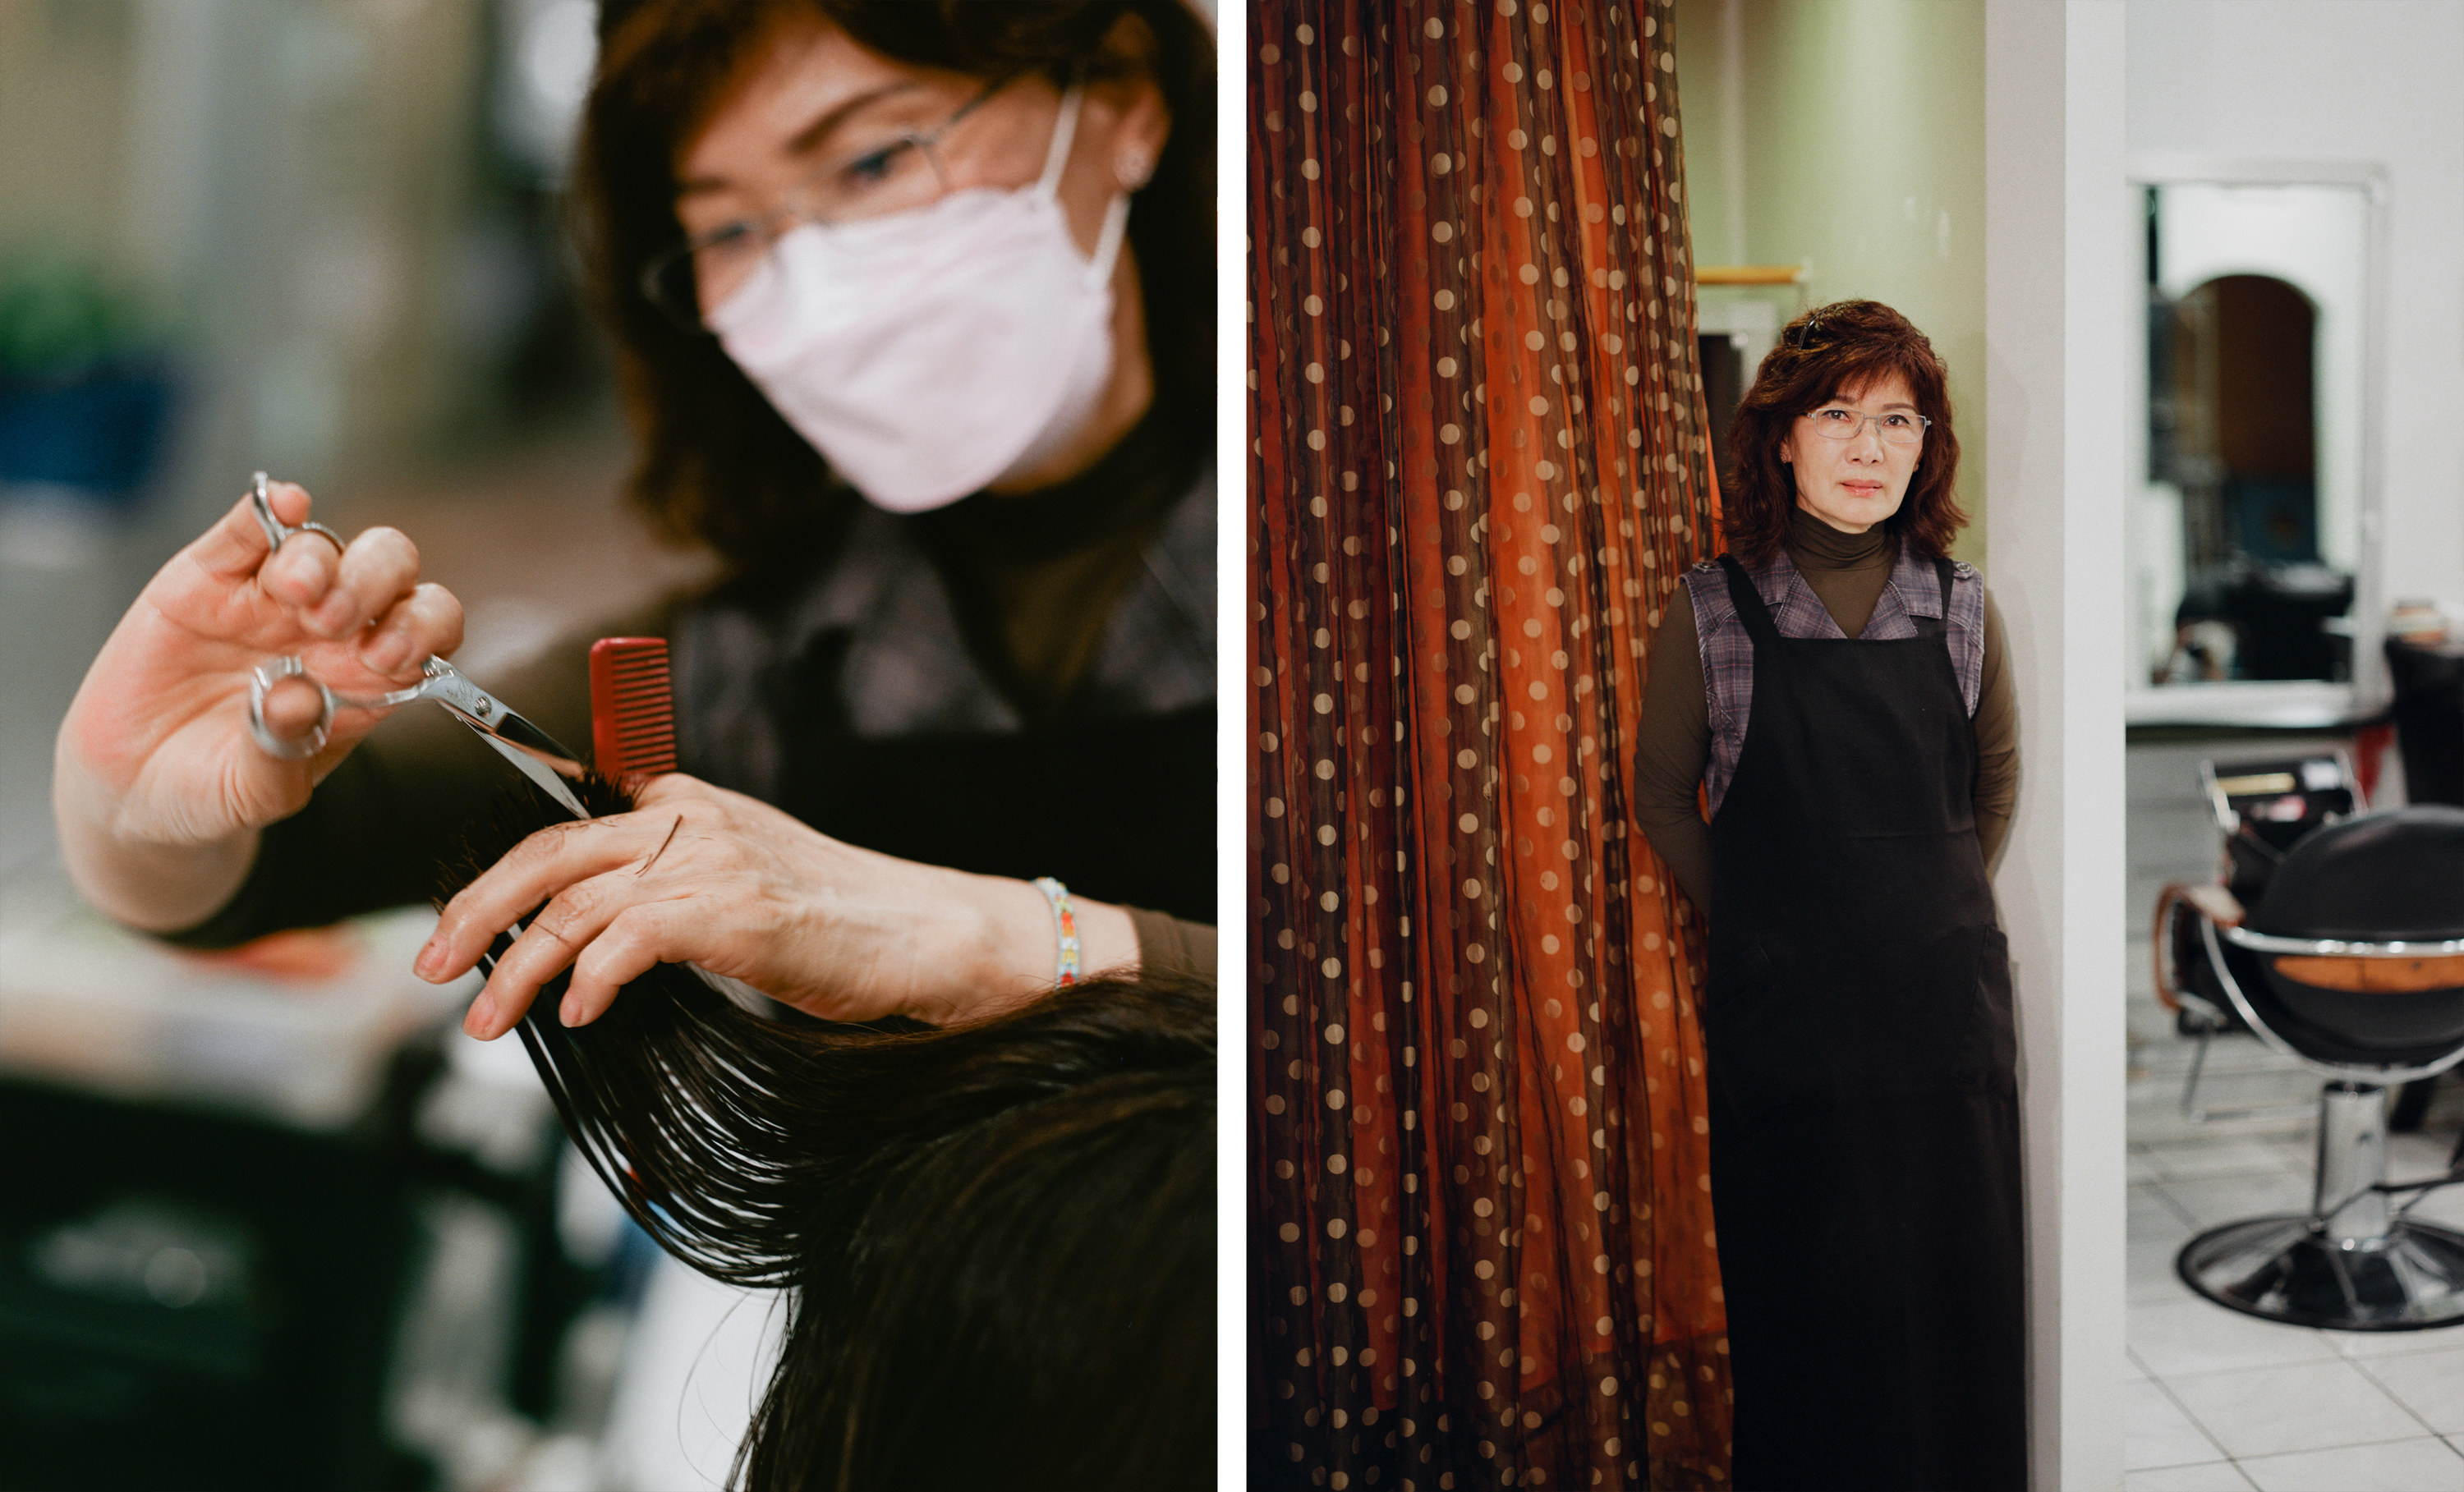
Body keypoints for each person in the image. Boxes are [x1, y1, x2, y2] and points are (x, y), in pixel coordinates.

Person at [52, 0, 1216, 1031]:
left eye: (870, 162)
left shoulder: (1363, 564)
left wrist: (987, 941)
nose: (815, 286)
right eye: (728, 230)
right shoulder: (763, 652)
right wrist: (133, 801)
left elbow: (1391, 1021)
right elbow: (284, 860)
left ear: (1122, 104)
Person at [1630, 301, 2024, 1490]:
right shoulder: (1714, 612)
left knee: (1960, 1322)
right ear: (1783, 440)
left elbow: (1990, 791)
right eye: (1838, 414)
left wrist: (1925, 908)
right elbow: (1658, 797)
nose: (1868, 446)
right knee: (1809, 1327)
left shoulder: (1962, 608)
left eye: (1897, 419)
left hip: (1944, 1030)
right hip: (1790, 1040)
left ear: (1926, 447)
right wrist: (1759, 924)